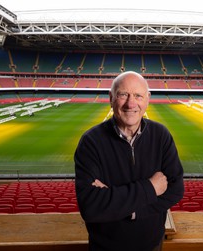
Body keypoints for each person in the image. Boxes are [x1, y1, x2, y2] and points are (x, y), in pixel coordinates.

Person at [74, 71, 184, 251]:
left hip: (152, 245)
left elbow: (175, 190)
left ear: (147, 99)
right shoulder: (91, 142)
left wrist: (125, 208)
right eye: (123, 95)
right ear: (111, 98)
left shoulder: (161, 136)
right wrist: (150, 188)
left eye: (138, 96)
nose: (130, 103)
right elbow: (91, 206)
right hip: (105, 247)